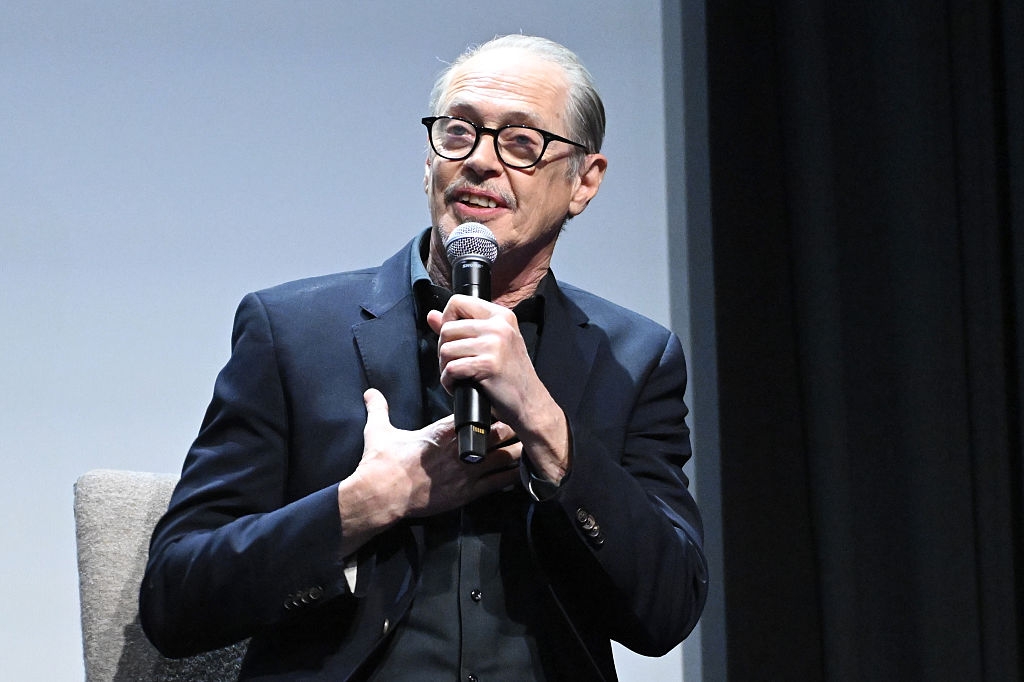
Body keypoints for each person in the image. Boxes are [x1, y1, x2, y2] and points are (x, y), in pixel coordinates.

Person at [140, 34, 707, 681]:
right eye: (459, 132)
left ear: (584, 181)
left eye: (522, 143)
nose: (480, 162)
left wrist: (549, 429)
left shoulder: (635, 358)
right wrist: (365, 503)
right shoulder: (292, 333)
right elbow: (174, 599)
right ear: (429, 159)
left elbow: (667, 612)